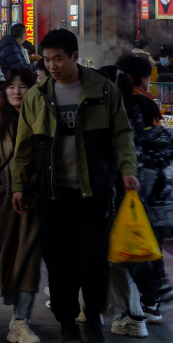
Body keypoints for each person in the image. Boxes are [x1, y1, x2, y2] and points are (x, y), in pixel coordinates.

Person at [11, 29, 139, 343]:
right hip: (53, 194)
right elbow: (24, 147)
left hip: (94, 191)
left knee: (93, 260)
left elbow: (122, 134)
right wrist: (19, 185)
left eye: (58, 58)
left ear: (74, 57)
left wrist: (127, 169)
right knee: (59, 261)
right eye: (47, 59)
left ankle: (93, 317)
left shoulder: (103, 90)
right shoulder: (37, 96)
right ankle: (67, 320)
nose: (52, 65)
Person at [0, 67, 41, 343]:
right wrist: (0, 198)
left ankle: (22, 319)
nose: (16, 92)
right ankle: (19, 317)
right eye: (11, 87)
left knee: (29, 262)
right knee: (16, 261)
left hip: (41, 204)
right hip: (10, 209)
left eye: (22, 86)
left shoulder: (42, 118)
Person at [116, 55, 170, 334]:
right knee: (148, 244)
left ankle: (147, 304)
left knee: (142, 244)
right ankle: (151, 303)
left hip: (137, 185)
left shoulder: (129, 102)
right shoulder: (141, 103)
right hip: (148, 186)